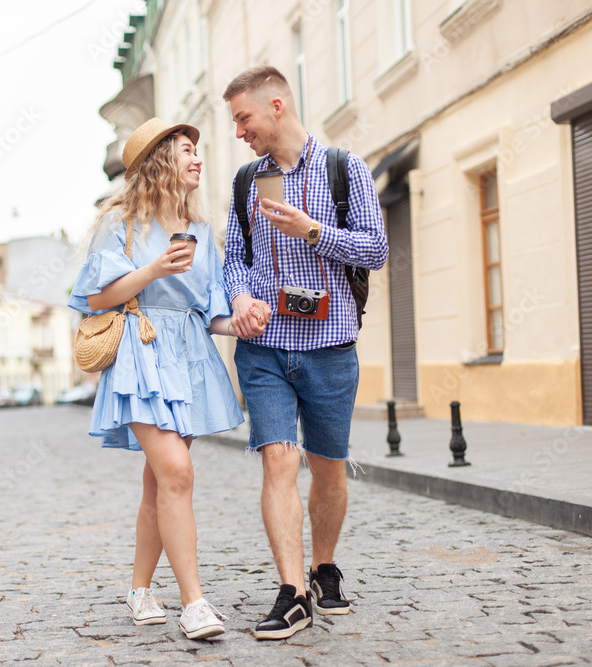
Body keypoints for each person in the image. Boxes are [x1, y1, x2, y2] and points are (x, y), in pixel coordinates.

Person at [69, 117, 271, 640]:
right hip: (140, 355)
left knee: (159, 484)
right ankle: (194, 603)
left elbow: (212, 313)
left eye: (197, 151)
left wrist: (241, 321)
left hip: (188, 358)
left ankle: (139, 589)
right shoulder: (121, 224)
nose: (198, 158)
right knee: (178, 474)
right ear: (161, 160)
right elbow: (95, 298)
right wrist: (153, 270)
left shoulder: (201, 232)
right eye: (187, 150)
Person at [222, 66, 389, 640]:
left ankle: (324, 566)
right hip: (264, 349)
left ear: (275, 106)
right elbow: (233, 259)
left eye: (243, 118)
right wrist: (241, 296)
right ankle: (293, 592)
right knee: (278, 459)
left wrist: (314, 231)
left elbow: (376, 249)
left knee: (328, 465)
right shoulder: (247, 181)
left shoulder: (346, 170)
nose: (239, 132)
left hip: (330, 345)